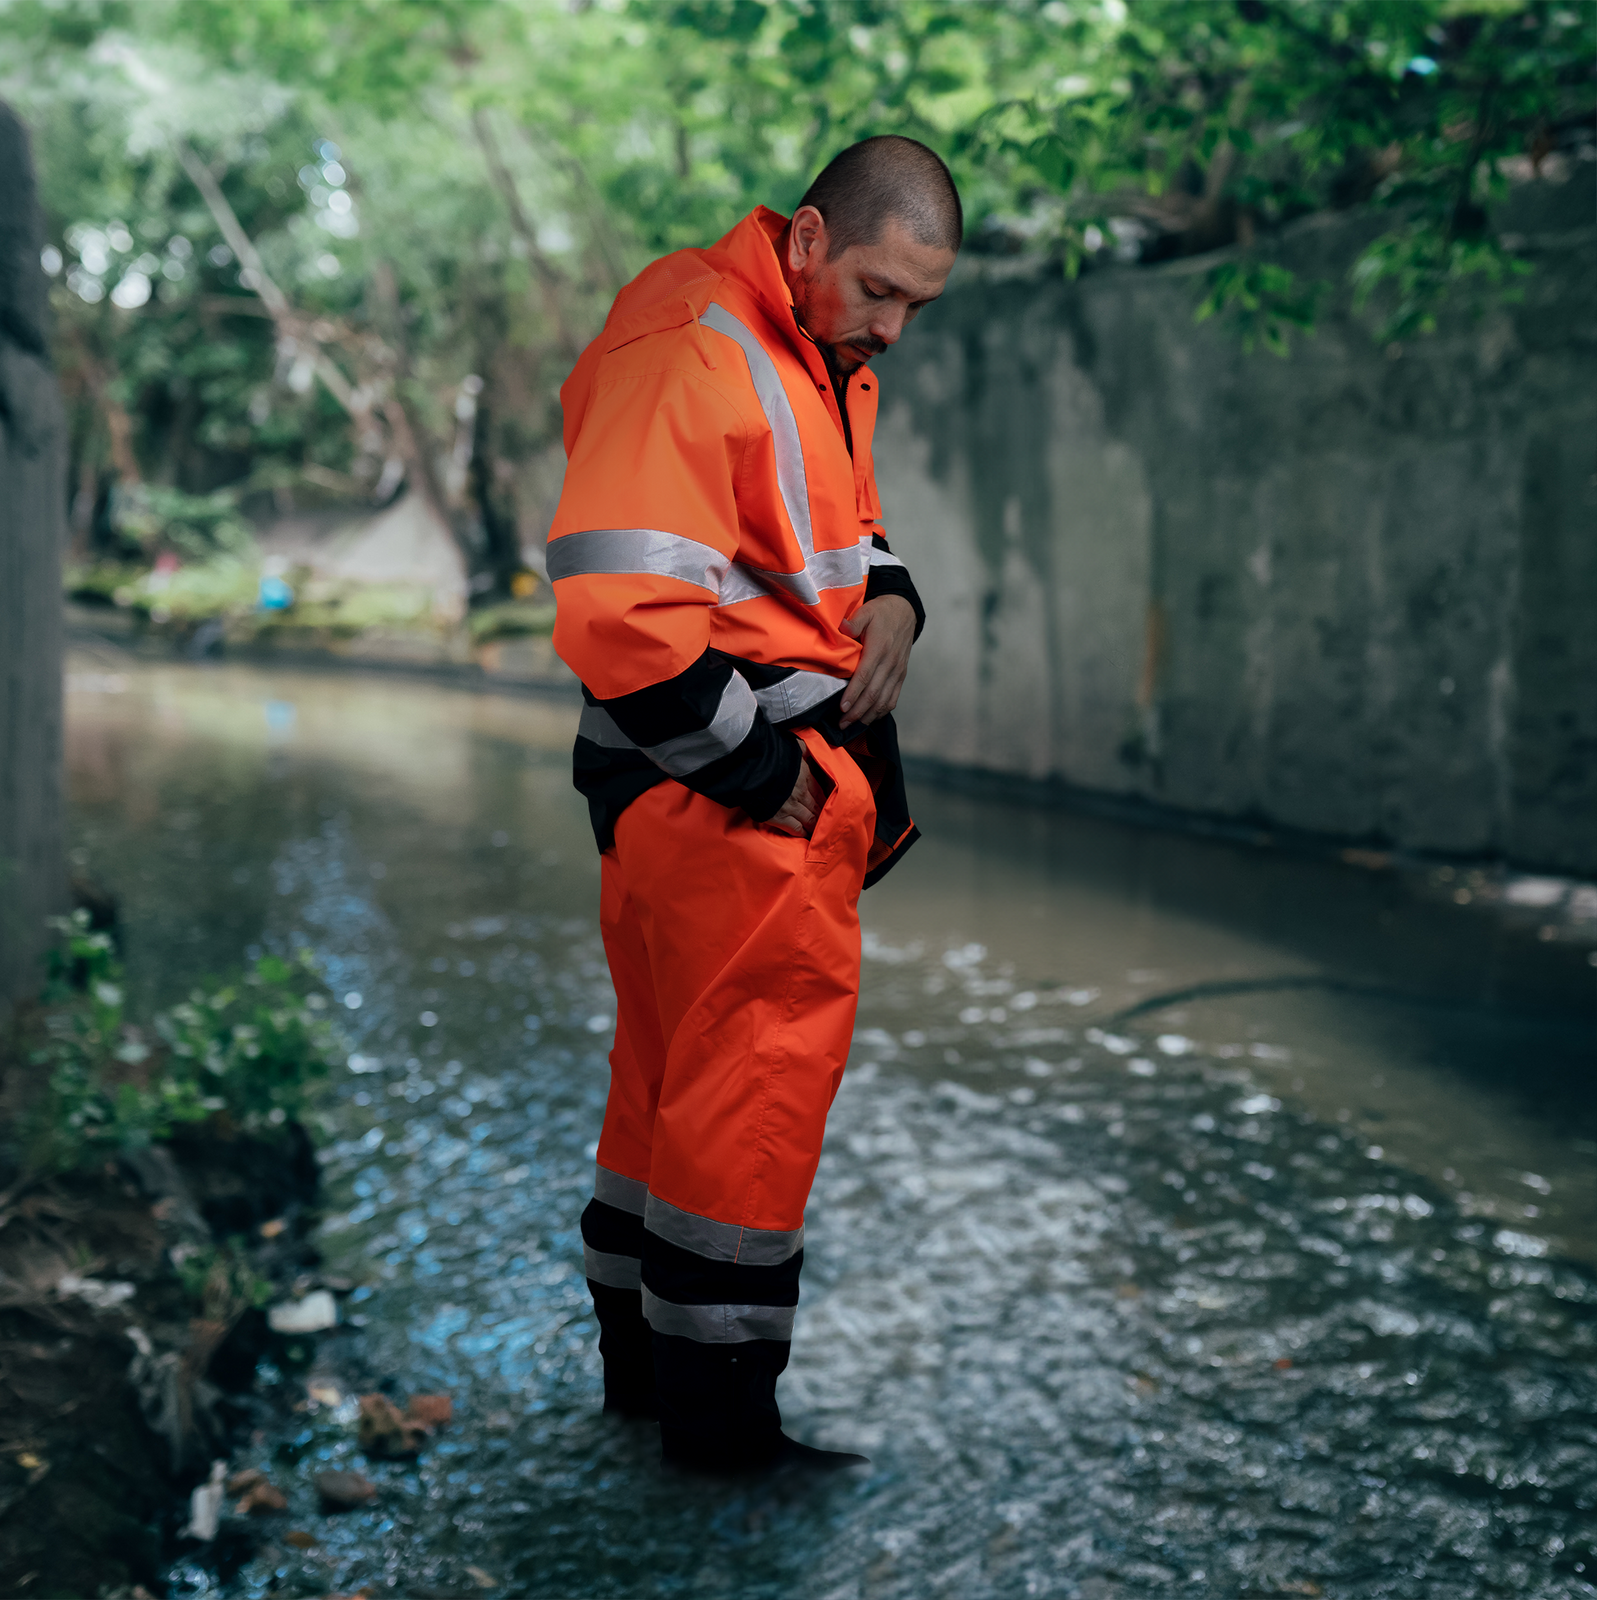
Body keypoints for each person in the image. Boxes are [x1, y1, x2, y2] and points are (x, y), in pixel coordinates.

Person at [547, 136, 961, 1472]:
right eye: (878, 292)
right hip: (730, 799)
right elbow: (620, 607)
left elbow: (825, 532)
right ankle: (723, 1441)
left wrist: (893, 592)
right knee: (752, 1096)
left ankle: (648, 1396)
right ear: (805, 242)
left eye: (914, 308)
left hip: (704, 794)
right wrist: (760, 773)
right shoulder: (693, 343)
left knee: (672, 1089)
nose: (891, 330)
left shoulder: (800, 347)